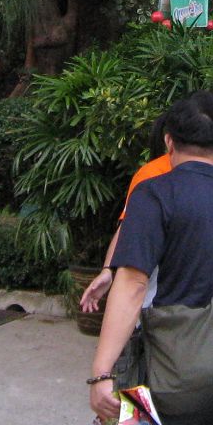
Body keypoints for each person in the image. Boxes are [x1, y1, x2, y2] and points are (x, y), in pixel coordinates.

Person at [87, 91, 213, 425]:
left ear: (169, 141)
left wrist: (102, 373)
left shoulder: (152, 194)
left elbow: (132, 285)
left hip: (153, 371)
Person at [81, 112, 173, 312]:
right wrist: (108, 270)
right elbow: (128, 225)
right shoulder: (152, 173)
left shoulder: (152, 172)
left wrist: (108, 270)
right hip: (157, 283)